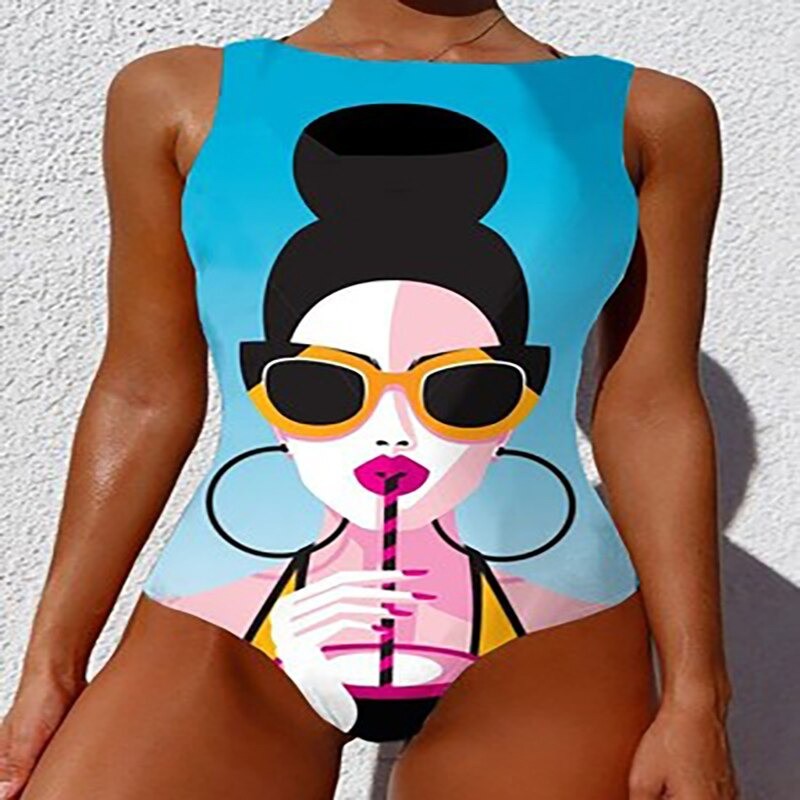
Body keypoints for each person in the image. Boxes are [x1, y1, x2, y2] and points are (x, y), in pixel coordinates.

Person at [0, 2, 739, 798]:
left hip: (549, 638)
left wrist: (699, 698)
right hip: (230, 623)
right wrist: (52, 666)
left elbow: (649, 407)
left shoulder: (648, 117)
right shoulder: (179, 95)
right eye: (322, 388)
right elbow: (144, 390)